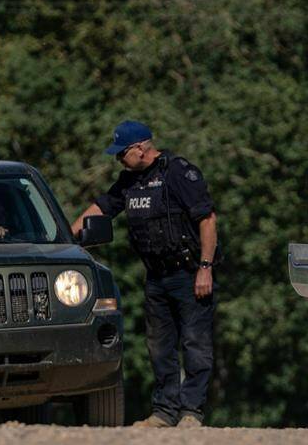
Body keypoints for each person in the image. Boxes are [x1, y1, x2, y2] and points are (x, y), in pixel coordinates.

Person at [71, 121, 218, 428]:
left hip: (189, 273)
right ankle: (164, 412)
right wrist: (64, 238)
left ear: (140, 148)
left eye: (120, 154)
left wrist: (206, 268)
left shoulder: (178, 173)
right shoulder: (130, 182)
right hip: (156, 277)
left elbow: (207, 219)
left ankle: (191, 413)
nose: (118, 161)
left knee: (195, 344)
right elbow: (100, 209)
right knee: (160, 347)